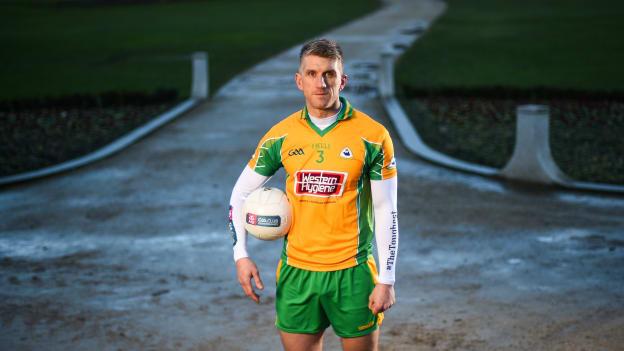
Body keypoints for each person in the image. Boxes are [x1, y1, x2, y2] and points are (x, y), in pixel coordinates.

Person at [228, 38, 399, 351]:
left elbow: (387, 208)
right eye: (312, 73)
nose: (321, 82)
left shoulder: (373, 136)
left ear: (342, 80)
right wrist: (241, 256)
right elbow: (239, 195)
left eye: (330, 74)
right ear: (299, 80)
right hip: (297, 273)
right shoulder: (280, 135)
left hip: (353, 272)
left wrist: (387, 278)